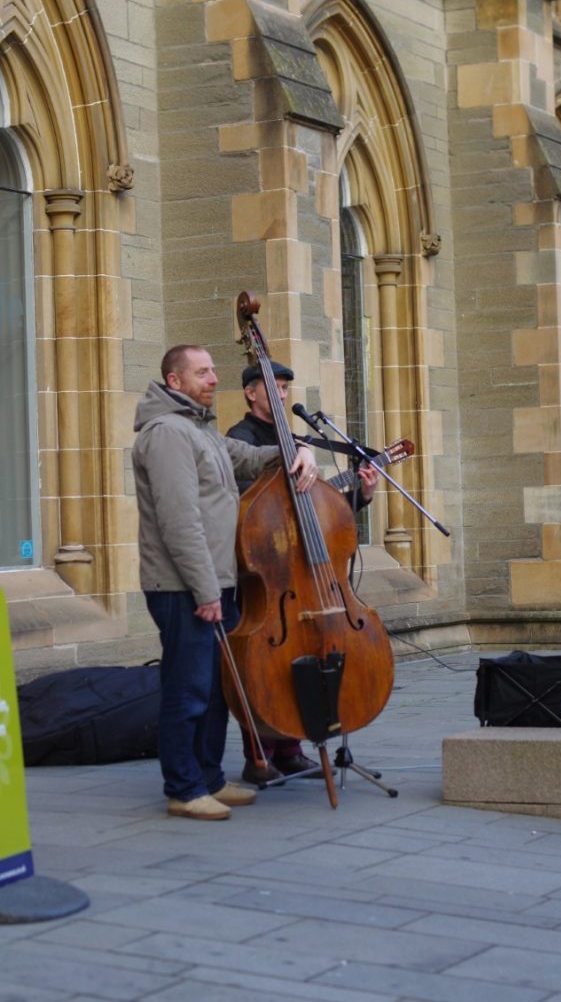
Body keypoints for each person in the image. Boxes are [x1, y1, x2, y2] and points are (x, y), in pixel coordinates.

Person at [132, 345, 318, 821]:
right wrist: (206, 591)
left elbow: (251, 458)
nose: (214, 379)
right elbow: (180, 522)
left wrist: (299, 451)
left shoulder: (201, 430)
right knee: (188, 688)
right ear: (175, 381)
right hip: (185, 588)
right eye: (202, 372)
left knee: (216, 690)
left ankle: (210, 777)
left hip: (216, 583)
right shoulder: (168, 433)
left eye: (214, 370)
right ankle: (184, 786)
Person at [226, 360, 378, 785]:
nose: (281, 394)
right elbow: (249, 511)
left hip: (301, 574)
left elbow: (321, 515)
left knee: (299, 659)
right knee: (262, 664)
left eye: (286, 387)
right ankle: (259, 755)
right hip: (266, 569)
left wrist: (360, 495)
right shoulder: (240, 440)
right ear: (251, 393)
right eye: (273, 386)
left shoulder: (295, 439)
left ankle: (291, 749)